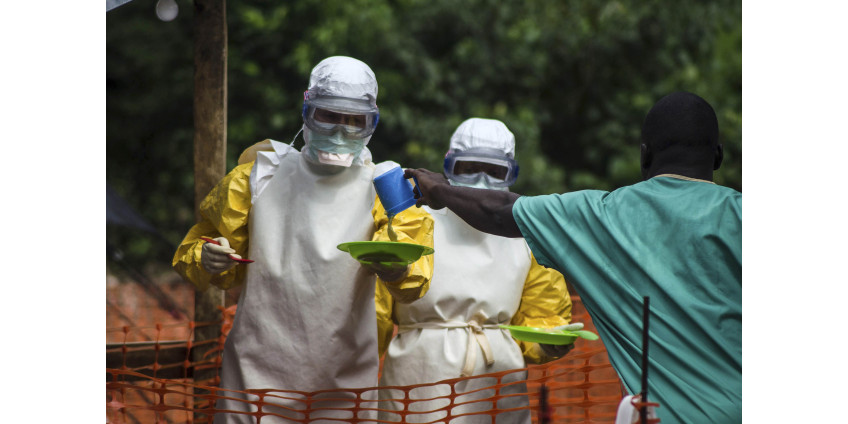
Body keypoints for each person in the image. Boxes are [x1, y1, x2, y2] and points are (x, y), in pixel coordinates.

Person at [405, 92, 741, 424]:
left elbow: (500, 212)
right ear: (718, 156)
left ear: (644, 155)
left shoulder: (600, 216)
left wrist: (438, 189)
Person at [172, 56, 434, 424]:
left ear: (371, 122)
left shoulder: (386, 189)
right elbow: (197, 250)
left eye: (354, 120)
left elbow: (415, 280)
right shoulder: (259, 176)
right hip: (254, 377)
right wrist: (207, 254)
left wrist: (398, 270)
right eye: (329, 115)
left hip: (343, 382)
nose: (340, 130)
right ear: (307, 110)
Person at [376, 118, 575, 424]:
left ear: (510, 174)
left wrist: (548, 341)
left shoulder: (525, 235)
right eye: (468, 168)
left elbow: (543, 314)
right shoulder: (415, 218)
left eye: (494, 172)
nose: (481, 180)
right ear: (449, 167)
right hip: (420, 377)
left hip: (498, 382)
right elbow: (375, 310)